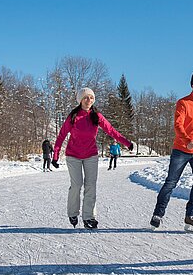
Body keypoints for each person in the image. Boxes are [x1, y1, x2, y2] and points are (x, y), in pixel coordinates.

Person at [52, 87, 133, 229]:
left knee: (91, 186)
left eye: (91, 97)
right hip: (73, 155)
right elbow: (61, 136)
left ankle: (88, 217)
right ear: (80, 100)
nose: (89, 100)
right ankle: (72, 212)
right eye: (86, 97)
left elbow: (111, 130)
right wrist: (55, 155)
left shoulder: (97, 116)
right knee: (76, 185)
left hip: (91, 155)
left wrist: (127, 143)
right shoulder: (73, 116)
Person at [150, 70, 193, 232]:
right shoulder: (183, 103)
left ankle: (190, 216)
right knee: (171, 182)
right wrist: (187, 140)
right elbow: (178, 125)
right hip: (181, 148)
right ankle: (158, 214)